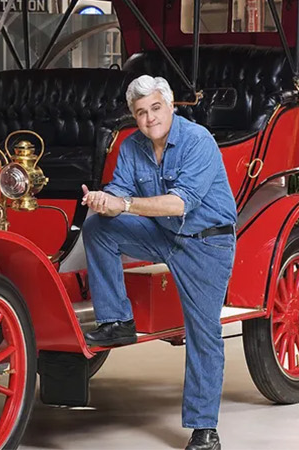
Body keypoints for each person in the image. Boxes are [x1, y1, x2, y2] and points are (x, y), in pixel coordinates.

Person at [79, 75, 237, 450]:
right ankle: (117, 320)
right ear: (134, 118)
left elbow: (182, 203)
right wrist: (103, 199)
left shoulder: (198, 141)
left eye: (155, 108)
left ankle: (204, 430)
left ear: (170, 106)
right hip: (164, 234)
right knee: (98, 227)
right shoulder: (132, 146)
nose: (150, 119)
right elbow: (120, 189)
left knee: (203, 332)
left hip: (205, 242)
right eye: (140, 113)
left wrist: (126, 205)